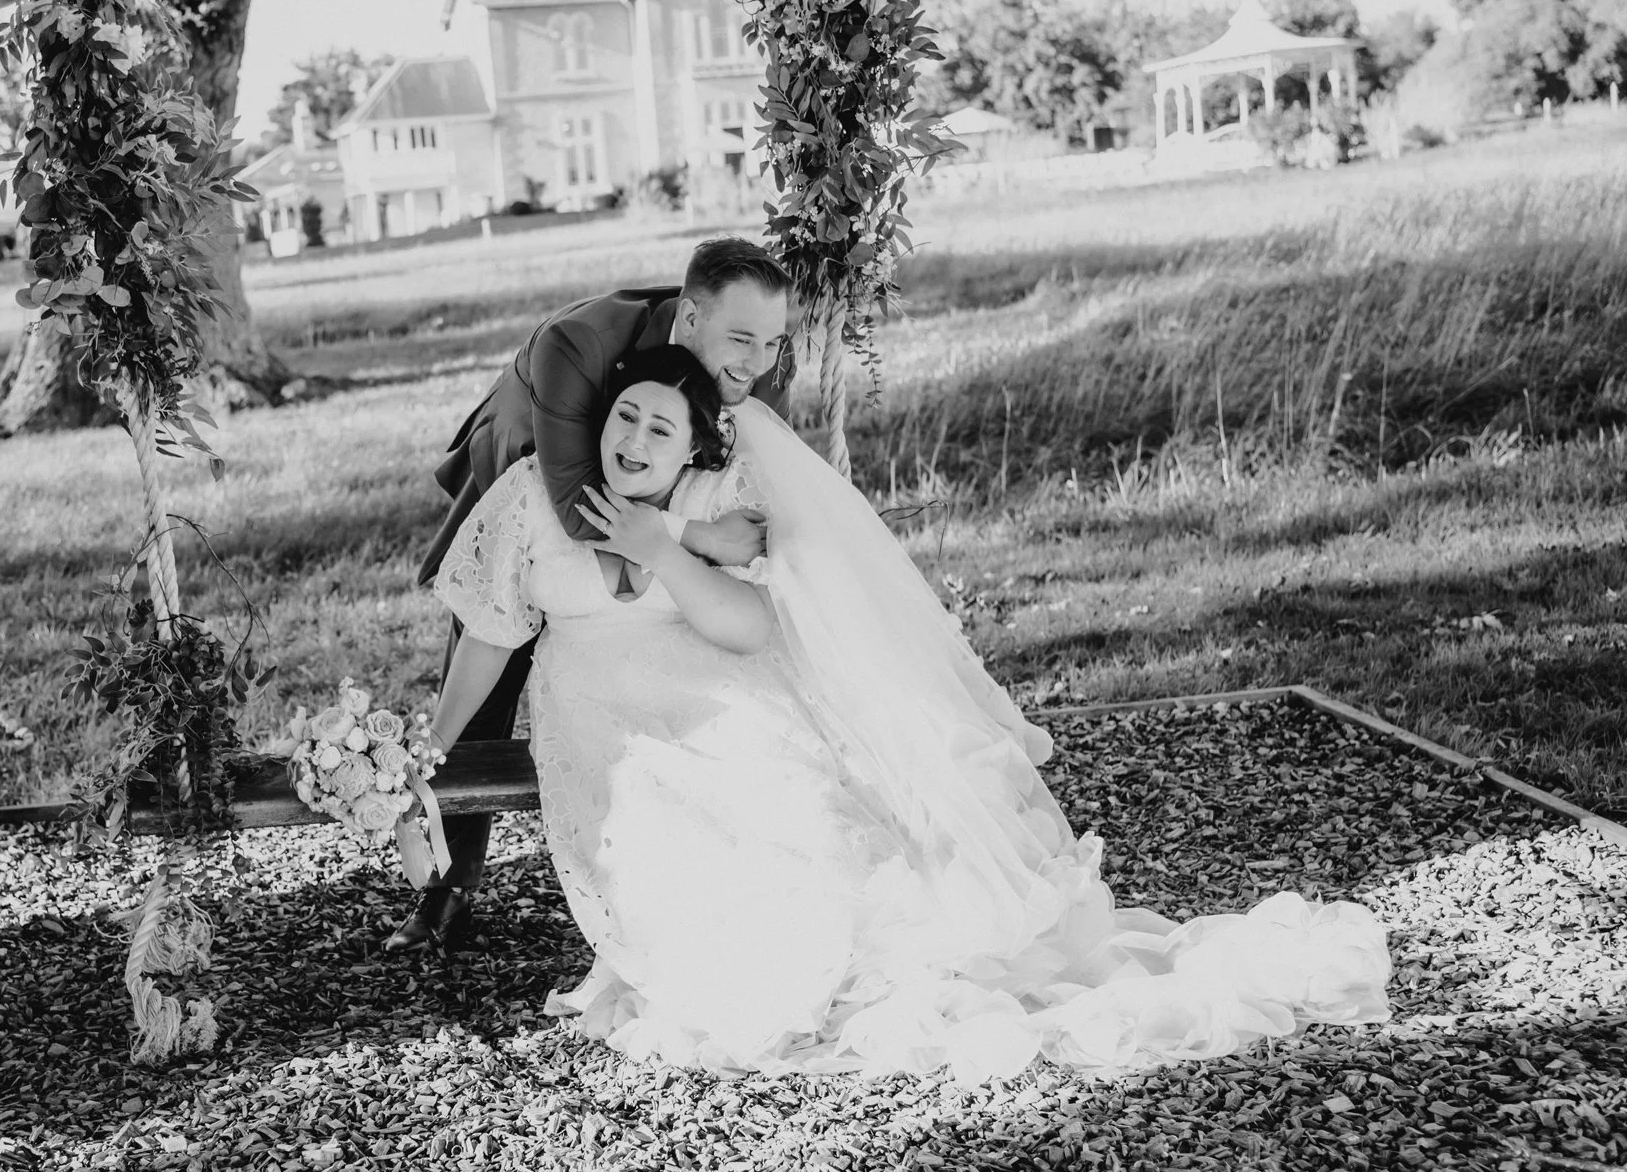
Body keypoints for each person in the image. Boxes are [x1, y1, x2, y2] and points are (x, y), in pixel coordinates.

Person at [425, 344, 1393, 1077]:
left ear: (689, 447)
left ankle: (878, 963)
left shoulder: (709, 505)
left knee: (813, 830)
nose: (634, 441)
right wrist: (431, 748)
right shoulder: (529, 500)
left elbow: (748, 632)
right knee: (680, 864)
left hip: (721, 697)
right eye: (626, 418)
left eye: (659, 430)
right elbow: (487, 637)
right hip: (607, 725)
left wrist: (665, 543)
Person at [389, 237, 800, 952]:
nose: (757, 363)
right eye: (741, 339)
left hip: (664, 491)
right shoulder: (577, 347)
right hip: (537, 453)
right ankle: (446, 885)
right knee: (500, 629)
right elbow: (581, 508)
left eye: (771, 343)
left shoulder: (759, 361)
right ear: (692, 319)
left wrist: (736, 533)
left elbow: (756, 488)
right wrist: (699, 534)